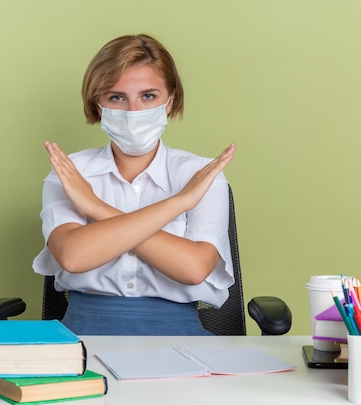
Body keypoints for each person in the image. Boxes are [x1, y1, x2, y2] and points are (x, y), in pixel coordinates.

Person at [32, 34, 236, 335]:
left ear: (171, 101)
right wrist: (178, 203)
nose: (133, 112)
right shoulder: (70, 172)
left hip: (180, 333)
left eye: (148, 96)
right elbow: (73, 257)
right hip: (84, 332)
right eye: (116, 97)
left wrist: (96, 208)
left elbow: (193, 270)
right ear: (97, 104)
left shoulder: (201, 176)